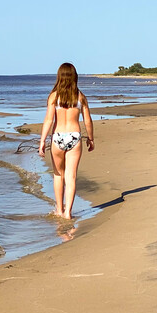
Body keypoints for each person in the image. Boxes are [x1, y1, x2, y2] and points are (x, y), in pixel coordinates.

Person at [38, 62, 94, 219]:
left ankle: (59, 210)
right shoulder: (80, 97)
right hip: (74, 137)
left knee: (58, 175)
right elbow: (88, 121)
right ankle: (68, 212)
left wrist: (42, 141)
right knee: (71, 176)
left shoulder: (54, 97)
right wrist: (91, 139)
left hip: (57, 137)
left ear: (59, 77)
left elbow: (49, 120)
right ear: (74, 77)